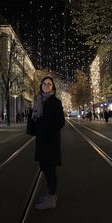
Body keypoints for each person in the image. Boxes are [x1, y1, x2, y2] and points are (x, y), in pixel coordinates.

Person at [31, 76, 65, 210]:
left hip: (50, 141)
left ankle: (51, 198)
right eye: (44, 84)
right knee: (43, 166)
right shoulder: (39, 101)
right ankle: (50, 194)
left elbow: (60, 122)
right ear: (41, 85)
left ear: (53, 87)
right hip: (41, 140)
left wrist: (48, 131)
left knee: (50, 169)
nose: (46, 86)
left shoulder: (55, 102)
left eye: (49, 84)